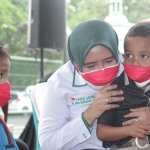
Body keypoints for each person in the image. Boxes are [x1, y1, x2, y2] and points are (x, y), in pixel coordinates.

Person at [38, 20, 150, 150]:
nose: (102, 69)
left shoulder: (132, 62)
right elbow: (47, 145)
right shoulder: (60, 84)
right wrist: (88, 115)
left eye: (108, 61)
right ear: (76, 64)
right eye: (91, 66)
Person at [97, 22, 150, 149]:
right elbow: (101, 132)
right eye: (129, 55)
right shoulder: (114, 90)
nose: (135, 62)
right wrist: (130, 130)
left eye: (144, 56)